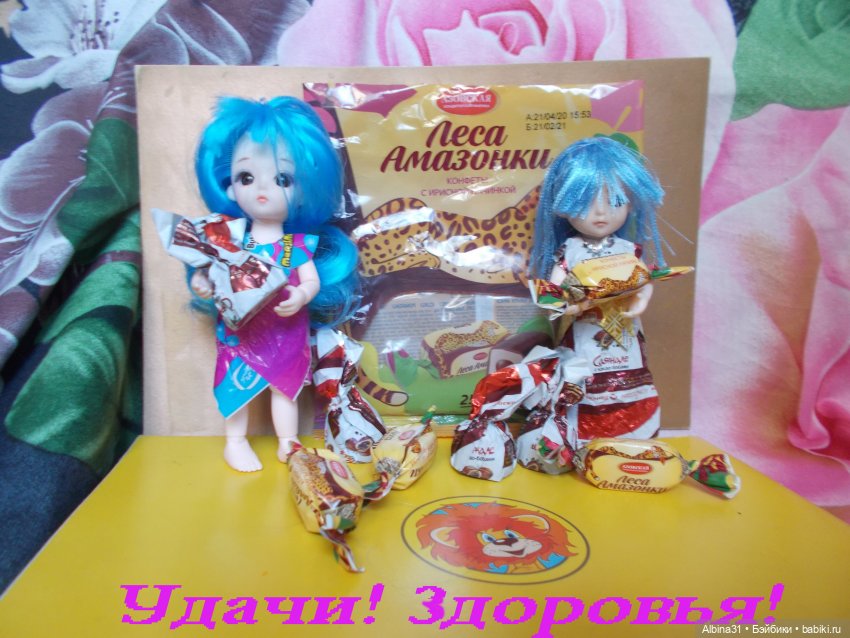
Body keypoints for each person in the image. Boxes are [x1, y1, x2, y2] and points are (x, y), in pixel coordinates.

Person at [191, 96, 357, 471]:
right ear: (229, 187)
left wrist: (301, 294)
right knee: (236, 389)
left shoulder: (295, 246)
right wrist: (205, 285)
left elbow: (310, 281)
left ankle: (288, 441)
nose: (261, 189)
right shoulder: (232, 243)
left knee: (286, 388)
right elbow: (213, 275)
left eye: (282, 179)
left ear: (304, 189)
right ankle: (234, 442)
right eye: (246, 177)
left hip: (285, 329)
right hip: (242, 331)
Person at [528, 136, 666, 441]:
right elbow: (551, 293)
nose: (601, 214)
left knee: (628, 375)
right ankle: (582, 437)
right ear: (564, 207)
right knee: (585, 378)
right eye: (585, 203)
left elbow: (644, 280)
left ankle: (634, 434)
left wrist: (641, 299)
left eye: (615, 201)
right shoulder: (571, 251)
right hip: (584, 330)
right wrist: (571, 306)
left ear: (630, 202)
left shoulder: (627, 249)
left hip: (625, 331)